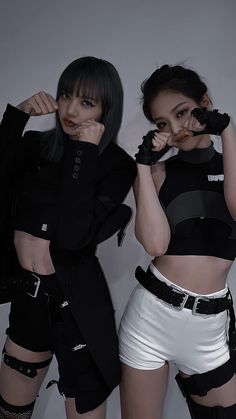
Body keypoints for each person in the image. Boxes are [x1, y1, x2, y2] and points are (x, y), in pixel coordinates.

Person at [0, 56, 136, 419]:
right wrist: (16, 116)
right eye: (66, 96)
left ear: (108, 109)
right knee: (10, 412)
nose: (71, 110)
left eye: (87, 102)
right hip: (27, 300)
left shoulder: (117, 166)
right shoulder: (34, 146)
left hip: (76, 307)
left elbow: (74, 238)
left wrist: (84, 151)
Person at [119, 63, 236, 419]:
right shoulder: (157, 171)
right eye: (162, 123)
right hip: (151, 319)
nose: (177, 129)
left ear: (205, 102)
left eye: (183, 113)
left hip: (210, 330)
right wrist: (141, 167)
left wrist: (227, 131)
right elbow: (154, 245)